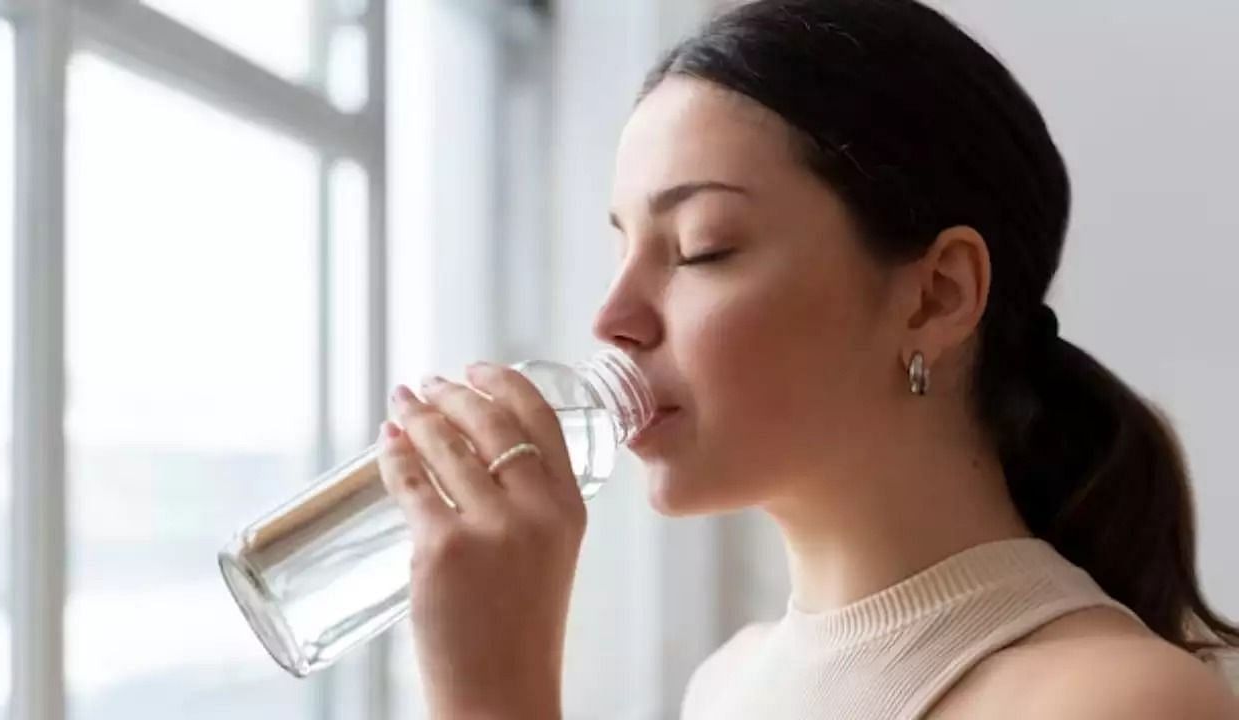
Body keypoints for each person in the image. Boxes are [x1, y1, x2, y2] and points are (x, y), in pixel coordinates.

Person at [375, 0, 1239, 717]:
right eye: (620, 249)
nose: (613, 319)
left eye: (700, 247)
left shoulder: (1115, 701)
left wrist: (492, 693)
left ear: (937, 295)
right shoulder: (724, 686)